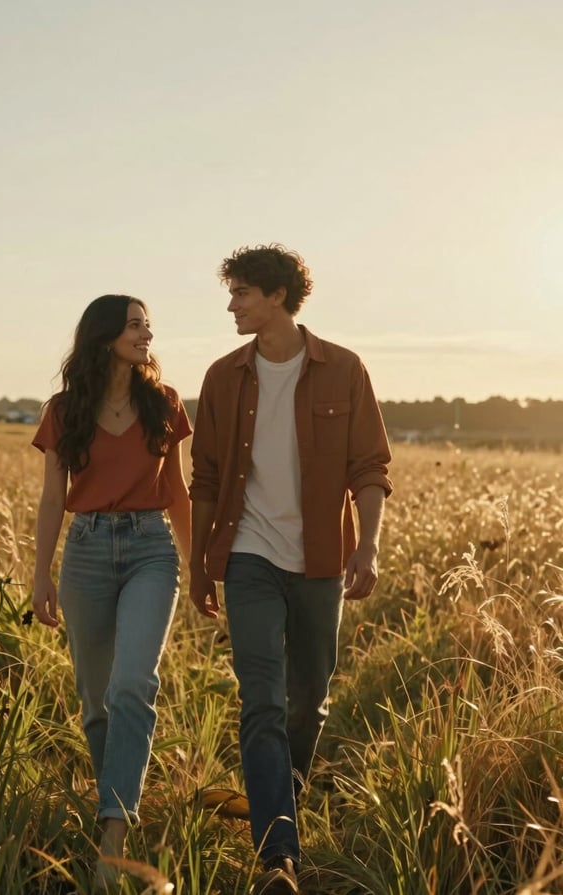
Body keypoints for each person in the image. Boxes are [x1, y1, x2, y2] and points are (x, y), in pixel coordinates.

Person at [189, 245, 392, 895]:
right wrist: (199, 563)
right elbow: (207, 478)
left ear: (277, 296)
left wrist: (368, 544)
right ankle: (278, 854)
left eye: (242, 293)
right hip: (247, 555)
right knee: (262, 698)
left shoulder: (344, 368)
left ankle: (287, 788)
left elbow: (369, 468)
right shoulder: (224, 377)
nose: (231, 305)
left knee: (310, 697)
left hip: (320, 560)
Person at [31, 294, 192, 892]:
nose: (146, 333)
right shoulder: (65, 409)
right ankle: (116, 797)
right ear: (105, 336)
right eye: (134, 324)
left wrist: (200, 567)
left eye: (148, 324)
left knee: (133, 684)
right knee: (96, 699)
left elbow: (175, 490)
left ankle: (114, 835)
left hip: (151, 548)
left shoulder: (164, 403)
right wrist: (40, 573)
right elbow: (53, 498)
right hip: (87, 553)